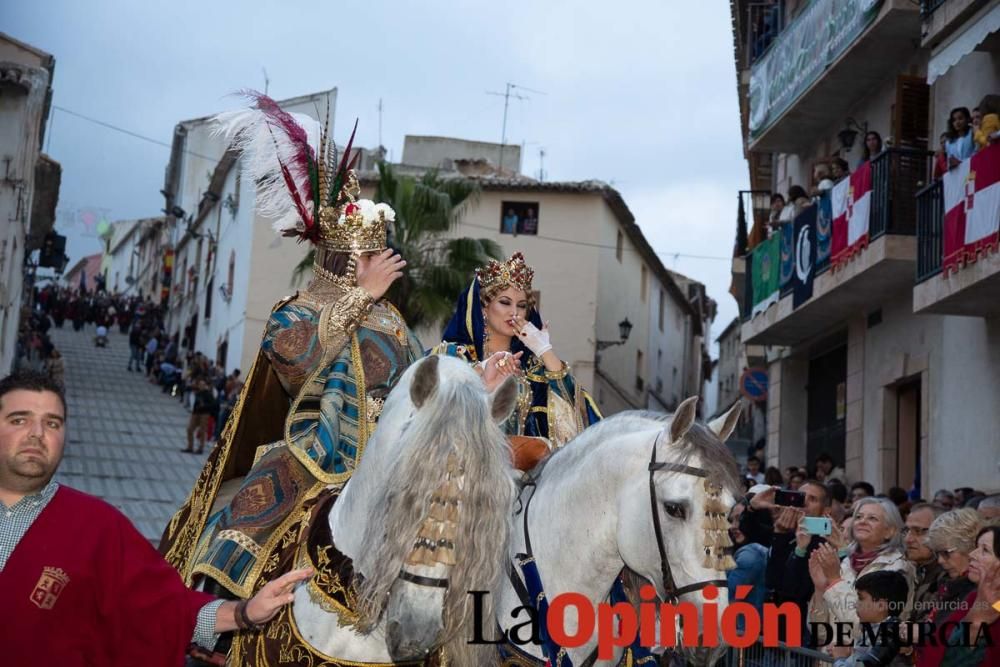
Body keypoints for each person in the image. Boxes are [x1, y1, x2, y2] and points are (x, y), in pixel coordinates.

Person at [160, 97, 421, 615]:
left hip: (394, 452)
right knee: (256, 506)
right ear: (342, 258)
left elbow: (416, 380)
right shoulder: (292, 313)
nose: (384, 264)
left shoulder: (392, 321)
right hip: (317, 450)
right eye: (370, 256)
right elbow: (303, 372)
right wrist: (358, 298)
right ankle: (218, 610)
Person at [0, 370, 311, 666]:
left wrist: (244, 613)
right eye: (19, 420)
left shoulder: (97, 525)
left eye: (53, 423)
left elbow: (166, 608)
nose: (37, 434)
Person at [434, 252, 601, 469]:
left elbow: (578, 416)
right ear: (484, 308)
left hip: (519, 480)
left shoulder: (532, 368)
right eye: (505, 302)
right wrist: (481, 374)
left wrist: (544, 350)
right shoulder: (453, 356)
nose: (514, 312)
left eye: (521, 305)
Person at [808, 497, 916, 651]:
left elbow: (867, 629)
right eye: (858, 517)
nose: (862, 521)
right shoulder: (845, 562)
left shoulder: (898, 569)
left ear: (889, 531)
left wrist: (834, 581)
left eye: (872, 518)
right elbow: (820, 632)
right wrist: (820, 589)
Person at [917, 523, 1000, 666]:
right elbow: (938, 647)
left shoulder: (996, 605)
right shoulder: (974, 597)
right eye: (976, 547)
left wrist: (977, 622)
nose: (972, 555)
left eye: (985, 550)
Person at [830, 571, 909, 667]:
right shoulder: (874, 630)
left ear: (881, 606)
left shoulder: (890, 635)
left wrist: (840, 658)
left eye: (861, 598)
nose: (855, 604)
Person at [901, 502, 946, 622]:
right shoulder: (912, 571)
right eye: (907, 530)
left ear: (941, 532)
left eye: (918, 531)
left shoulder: (949, 576)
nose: (908, 539)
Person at [183, 379, 217, 455]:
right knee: (189, 429)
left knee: (202, 431)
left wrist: (204, 406)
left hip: (204, 414)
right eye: (200, 385)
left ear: (205, 386)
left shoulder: (208, 394)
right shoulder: (198, 393)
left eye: (202, 385)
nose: (201, 386)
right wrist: (193, 413)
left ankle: (200, 448)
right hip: (196, 413)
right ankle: (190, 447)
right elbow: (195, 403)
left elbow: (213, 405)